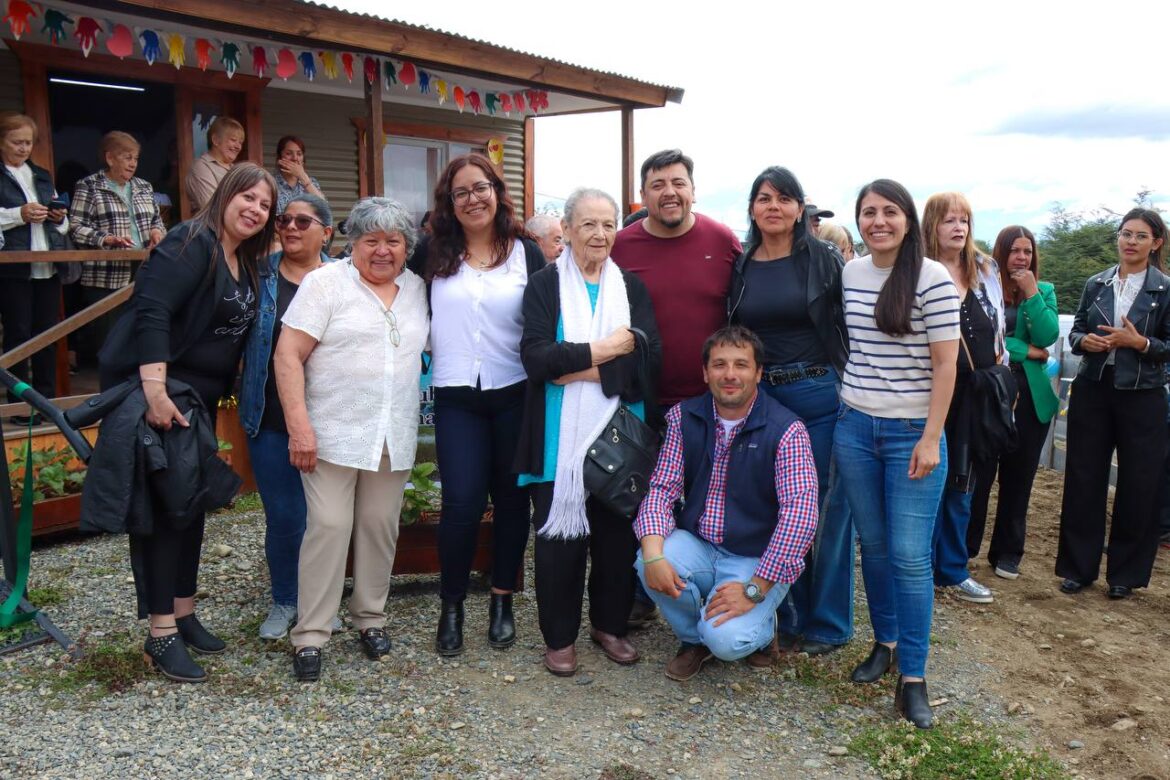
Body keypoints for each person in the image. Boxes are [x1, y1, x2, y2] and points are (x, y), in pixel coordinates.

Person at [97, 162, 276, 683]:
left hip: (199, 399)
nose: (255, 210)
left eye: (264, 205)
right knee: (166, 513)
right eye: (247, 197)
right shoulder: (189, 241)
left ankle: (183, 608)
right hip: (165, 394)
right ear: (224, 194)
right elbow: (152, 311)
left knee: (190, 505)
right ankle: (160, 634)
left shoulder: (243, 257)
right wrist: (154, 390)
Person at [275, 197, 428, 681]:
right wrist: (299, 426)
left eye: (394, 242)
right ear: (351, 243)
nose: (383, 251)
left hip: (392, 433)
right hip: (332, 433)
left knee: (380, 526)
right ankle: (311, 633)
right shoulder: (325, 284)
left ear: (407, 247)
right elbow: (287, 356)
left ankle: (370, 618)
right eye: (371, 241)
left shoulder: (418, 289)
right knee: (328, 526)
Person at [515, 188, 661, 676]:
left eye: (607, 224)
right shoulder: (544, 285)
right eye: (588, 224)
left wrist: (575, 363)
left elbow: (646, 364)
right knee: (559, 543)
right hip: (558, 437)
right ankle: (559, 638)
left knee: (616, 538)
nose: (599, 234)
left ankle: (609, 625)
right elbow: (536, 359)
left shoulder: (632, 289)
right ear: (569, 231)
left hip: (619, 437)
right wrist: (606, 350)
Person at [833, 179, 959, 729]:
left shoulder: (932, 278)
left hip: (913, 432)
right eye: (868, 212)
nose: (877, 221)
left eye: (888, 212)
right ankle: (883, 641)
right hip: (854, 425)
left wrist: (932, 437)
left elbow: (946, 364)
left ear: (908, 219)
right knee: (874, 546)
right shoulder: (851, 272)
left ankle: (914, 674)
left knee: (910, 557)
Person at [410, 153, 544, 657]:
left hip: (515, 394)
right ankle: (451, 605)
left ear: (496, 191)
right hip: (456, 397)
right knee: (462, 503)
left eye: (481, 187)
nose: (473, 199)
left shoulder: (526, 254)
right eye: (461, 191)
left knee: (513, 503)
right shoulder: (431, 253)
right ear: (449, 201)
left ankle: (502, 599)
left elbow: (547, 321)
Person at [634, 325, 818, 680]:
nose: (730, 375)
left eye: (741, 365)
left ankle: (761, 631)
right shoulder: (682, 417)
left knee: (727, 642)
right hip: (701, 544)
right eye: (719, 365)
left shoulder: (786, 429)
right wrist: (655, 554)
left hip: (757, 558)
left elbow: (801, 516)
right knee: (647, 560)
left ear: (759, 373)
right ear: (705, 373)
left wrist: (755, 590)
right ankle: (693, 639)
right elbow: (661, 489)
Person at [612, 148, 742, 627]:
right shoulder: (621, 245)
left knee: (707, 495)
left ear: (692, 189)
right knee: (638, 493)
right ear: (643, 195)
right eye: (658, 184)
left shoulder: (723, 240)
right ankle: (641, 589)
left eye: (677, 182)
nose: (669, 192)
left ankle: (703, 587)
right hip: (640, 398)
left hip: (709, 401)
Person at [727, 166, 853, 658]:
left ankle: (829, 623)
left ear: (801, 209)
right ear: (752, 209)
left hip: (817, 393)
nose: (773, 206)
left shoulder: (822, 259)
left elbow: (849, 324)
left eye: (784, 198)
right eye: (763, 198)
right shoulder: (742, 263)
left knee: (823, 509)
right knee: (778, 509)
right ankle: (788, 616)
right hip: (763, 400)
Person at [1057, 208, 1170, 600]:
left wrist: (1140, 344)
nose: (1130, 242)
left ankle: (1125, 574)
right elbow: (1076, 330)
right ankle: (1078, 568)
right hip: (1094, 388)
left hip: (1143, 396)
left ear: (1156, 242)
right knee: (1084, 477)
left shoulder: (1165, 289)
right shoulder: (1097, 282)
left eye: (1140, 236)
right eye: (1125, 234)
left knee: (1140, 484)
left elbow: (1167, 347)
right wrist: (1083, 342)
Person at [239, 194, 333, 640]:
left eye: (302, 220)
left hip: (334, 417)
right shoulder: (258, 276)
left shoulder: (345, 279)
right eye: (284, 220)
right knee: (284, 514)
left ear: (326, 232)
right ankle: (285, 599)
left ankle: (322, 601)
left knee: (327, 518)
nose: (290, 227)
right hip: (271, 416)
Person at [921, 193, 1006, 605]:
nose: (959, 228)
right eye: (950, 220)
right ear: (932, 224)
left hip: (977, 395)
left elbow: (999, 332)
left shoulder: (985, 268)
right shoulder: (916, 270)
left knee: (964, 483)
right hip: (931, 393)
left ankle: (952, 569)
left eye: (965, 221)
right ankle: (921, 566)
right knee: (928, 480)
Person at [966, 226, 1059, 578]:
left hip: (1031, 396)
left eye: (1028, 251)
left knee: (1019, 480)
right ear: (1001, 253)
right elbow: (984, 336)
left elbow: (1048, 335)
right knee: (981, 474)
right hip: (992, 392)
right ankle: (965, 546)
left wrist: (1032, 293)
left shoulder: (1044, 291)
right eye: (1015, 251)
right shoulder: (985, 287)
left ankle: (1007, 552)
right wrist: (1025, 350)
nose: (1022, 257)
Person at [68, 131, 165, 364]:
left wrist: (157, 232)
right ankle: (109, 392)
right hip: (106, 274)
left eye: (136, 158)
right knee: (109, 341)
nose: (133, 163)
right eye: (127, 157)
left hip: (143, 269)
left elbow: (156, 220)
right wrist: (106, 239)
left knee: (141, 334)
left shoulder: (144, 186)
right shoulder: (89, 186)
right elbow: (75, 226)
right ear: (110, 158)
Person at [0, 111, 69, 418]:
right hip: (15, 268)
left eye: (28, 142)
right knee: (18, 335)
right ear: (1, 142)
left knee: (48, 335)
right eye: (17, 142)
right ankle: (19, 405)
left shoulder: (41, 175)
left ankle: (46, 403)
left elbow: (64, 225)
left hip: (47, 264)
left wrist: (59, 217)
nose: (23, 148)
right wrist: (20, 214)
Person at [185, 116, 245, 213]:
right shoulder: (201, 167)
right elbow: (212, 207)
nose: (238, 146)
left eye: (240, 142)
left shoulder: (237, 170)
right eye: (233, 140)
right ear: (216, 140)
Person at [273, 135, 325, 214]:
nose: (295, 158)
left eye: (299, 154)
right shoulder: (271, 183)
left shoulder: (312, 183)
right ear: (279, 157)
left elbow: (324, 209)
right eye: (288, 153)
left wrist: (302, 176)